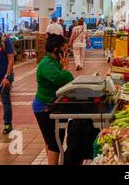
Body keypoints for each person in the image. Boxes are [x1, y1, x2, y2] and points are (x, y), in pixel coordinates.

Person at [32, 34, 74, 165]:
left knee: (51, 141)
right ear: (57, 50)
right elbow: (65, 80)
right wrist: (66, 67)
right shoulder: (46, 65)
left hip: (53, 105)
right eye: (65, 49)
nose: (67, 52)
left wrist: (63, 66)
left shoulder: (53, 61)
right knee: (55, 142)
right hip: (45, 107)